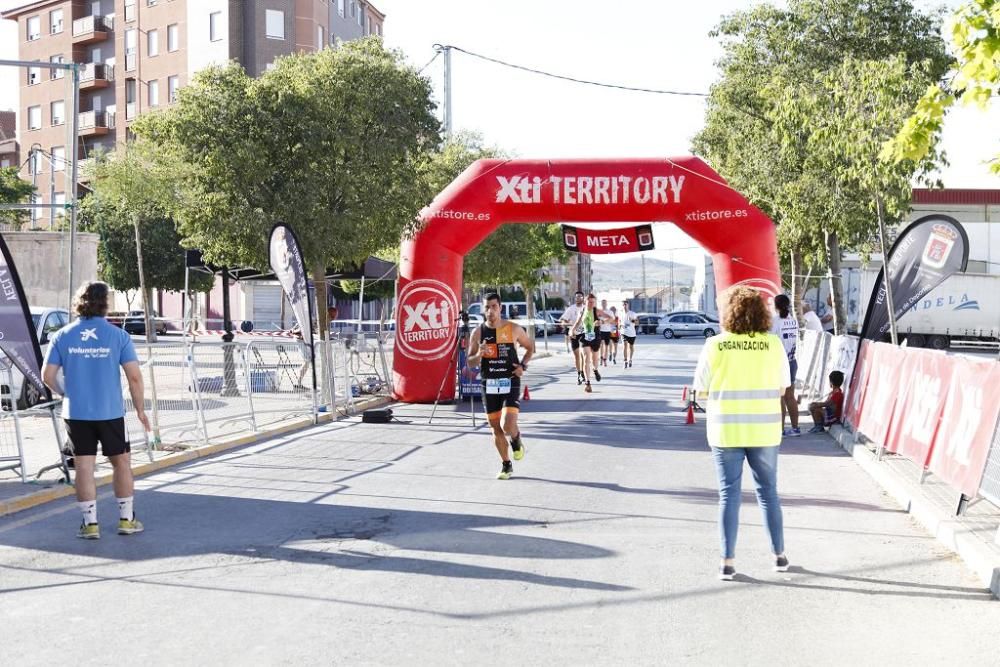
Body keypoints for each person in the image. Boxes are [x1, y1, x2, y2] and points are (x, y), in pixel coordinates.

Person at [693, 285, 790, 580]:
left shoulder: (715, 345)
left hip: (726, 431)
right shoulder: (773, 345)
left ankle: (727, 561)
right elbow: (783, 388)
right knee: (768, 493)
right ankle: (779, 556)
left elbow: (700, 391)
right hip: (763, 431)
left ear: (728, 313)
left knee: (728, 495)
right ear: (762, 314)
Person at [42, 281, 149, 539]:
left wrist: (65, 391)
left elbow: (47, 375)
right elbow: (134, 377)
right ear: (105, 304)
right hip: (110, 411)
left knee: (84, 467)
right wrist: (140, 409)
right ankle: (126, 519)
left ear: (79, 302)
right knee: (121, 463)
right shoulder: (118, 336)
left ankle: (90, 524)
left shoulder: (63, 335)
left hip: (76, 413)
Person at [467, 293, 535, 480]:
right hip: (488, 384)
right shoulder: (478, 332)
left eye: (493, 307)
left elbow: (530, 348)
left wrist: (523, 366)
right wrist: (479, 354)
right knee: (495, 427)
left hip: (510, 380)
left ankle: (516, 438)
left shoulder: (512, 329)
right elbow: (470, 363)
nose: (490, 311)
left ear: (500, 308)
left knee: (507, 425)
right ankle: (506, 465)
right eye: (487, 307)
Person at [771, 294, 800, 437]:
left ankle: (780, 429)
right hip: (792, 360)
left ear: (776, 306)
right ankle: (795, 428)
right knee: (791, 396)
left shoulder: (774, 322)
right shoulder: (793, 321)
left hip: (778, 362)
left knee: (780, 397)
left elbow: (769, 342)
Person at [572, 294, 610, 393]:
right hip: (585, 337)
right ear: (585, 302)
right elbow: (577, 322)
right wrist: (572, 331)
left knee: (595, 359)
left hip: (596, 337)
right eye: (589, 302)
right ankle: (588, 383)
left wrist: (601, 322)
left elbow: (611, 318)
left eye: (593, 302)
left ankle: (595, 370)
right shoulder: (583, 311)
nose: (591, 304)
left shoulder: (597, 311)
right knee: (586, 359)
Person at [559, 291, 587, 384]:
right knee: (577, 356)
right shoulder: (571, 309)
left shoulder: (586, 309)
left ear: (583, 298)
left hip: (584, 333)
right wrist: (563, 323)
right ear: (575, 298)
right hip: (573, 333)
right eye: (577, 297)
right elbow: (564, 319)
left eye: (580, 297)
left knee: (583, 354)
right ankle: (579, 373)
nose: (578, 298)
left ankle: (583, 372)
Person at [620, 301, 639, 368]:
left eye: (625, 305)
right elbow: (619, 322)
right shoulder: (620, 313)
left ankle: (630, 359)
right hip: (623, 332)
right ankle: (625, 361)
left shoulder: (632, 313)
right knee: (624, 345)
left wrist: (632, 320)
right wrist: (619, 327)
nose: (624, 306)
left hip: (632, 333)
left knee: (631, 347)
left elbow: (637, 323)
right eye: (623, 305)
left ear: (628, 305)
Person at [599, 299, 614, 366]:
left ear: (606, 304)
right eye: (602, 303)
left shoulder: (610, 312)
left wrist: (605, 321)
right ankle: (601, 358)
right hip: (600, 330)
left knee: (606, 346)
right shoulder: (599, 312)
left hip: (607, 330)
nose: (604, 304)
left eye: (605, 303)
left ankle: (605, 359)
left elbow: (612, 320)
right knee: (601, 345)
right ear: (601, 304)